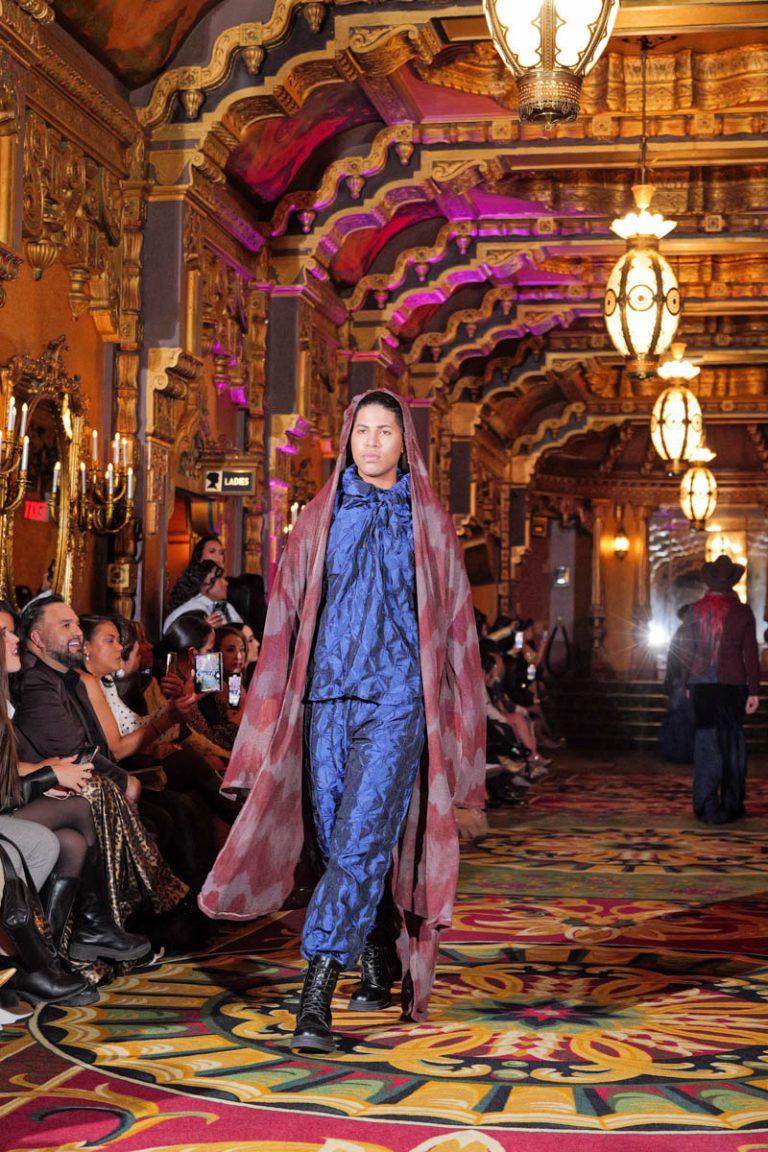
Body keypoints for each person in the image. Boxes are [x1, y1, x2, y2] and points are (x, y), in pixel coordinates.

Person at [200, 389, 486, 1055]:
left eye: (386, 431)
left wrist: (457, 723)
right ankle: (379, 949)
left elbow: (454, 625)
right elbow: (287, 614)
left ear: (405, 443)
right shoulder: (318, 516)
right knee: (335, 842)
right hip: (326, 698)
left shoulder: (428, 520)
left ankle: (315, 996)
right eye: (363, 430)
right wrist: (271, 709)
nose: (373, 442)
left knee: (358, 842)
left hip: (397, 701)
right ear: (348, 438)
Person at [680, 555, 760, 824]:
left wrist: (686, 683)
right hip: (733, 685)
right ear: (732, 582)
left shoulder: (695, 610)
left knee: (706, 743)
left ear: (709, 581)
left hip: (702, 685)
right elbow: (750, 653)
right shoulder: (743, 612)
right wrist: (754, 690)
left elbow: (686, 651)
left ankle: (707, 805)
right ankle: (731, 805)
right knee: (732, 743)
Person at [163, 560, 243, 634]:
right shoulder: (193, 610)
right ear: (202, 584)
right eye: (219, 578)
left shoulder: (223, 606)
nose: (226, 583)